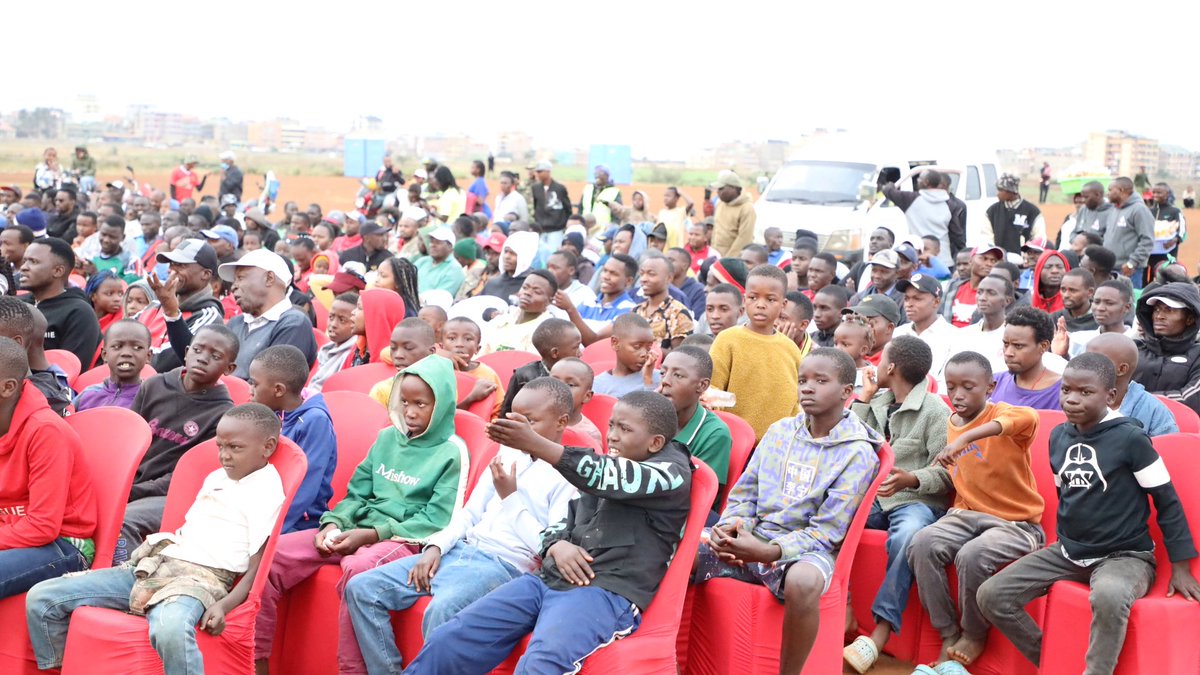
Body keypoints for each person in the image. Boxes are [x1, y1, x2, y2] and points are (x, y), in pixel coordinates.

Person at [403, 389, 690, 674]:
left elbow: (609, 478)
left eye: (625, 429)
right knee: (450, 639)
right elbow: (565, 520)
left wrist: (536, 444)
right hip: (549, 578)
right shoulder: (614, 461)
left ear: (655, 442)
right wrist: (555, 544)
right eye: (612, 425)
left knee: (539, 666)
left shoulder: (671, 473)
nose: (612, 435)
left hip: (605, 591)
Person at [978, 353, 1200, 674]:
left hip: (1124, 555)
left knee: (1109, 597)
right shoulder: (1058, 436)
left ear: (1110, 396)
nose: (1071, 399)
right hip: (1069, 551)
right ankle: (1053, 660)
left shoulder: (1131, 439)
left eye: (1085, 392)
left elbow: (1166, 500)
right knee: (991, 596)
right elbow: (1066, 494)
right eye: (1066, 390)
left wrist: (1180, 566)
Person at [27, 403, 286, 675]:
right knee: (43, 597)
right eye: (220, 446)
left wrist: (225, 605)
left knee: (170, 627)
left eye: (235, 448)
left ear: (267, 447)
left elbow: (258, 564)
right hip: (158, 564)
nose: (224, 456)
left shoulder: (266, 490)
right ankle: (65, 667)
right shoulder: (216, 477)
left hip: (201, 579)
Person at [344, 377, 579, 672]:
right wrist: (435, 547)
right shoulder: (508, 453)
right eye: (515, 419)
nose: (520, 429)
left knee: (441, 611)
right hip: (462, 551)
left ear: (561, 422)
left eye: (530, 421)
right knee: (362, 588)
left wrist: (510, 497)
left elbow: (546, 546)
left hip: (504, 565)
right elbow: (469, 514)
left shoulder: (569, 477)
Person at [254, 354, 467, 674]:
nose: (410, 411)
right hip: (358, 526)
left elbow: (435, 519)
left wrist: (372, 535)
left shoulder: (452, 451)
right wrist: (333, 523)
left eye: (421, 404)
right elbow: (356, 493)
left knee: (359, 569)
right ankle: (256, 658)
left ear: (441, 405)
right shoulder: (386, 438)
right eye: (405, 401)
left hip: (402, 537)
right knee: (274, 556)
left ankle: (354, 670)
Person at [697, 348, 881, 673]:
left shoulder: (858, 453)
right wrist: (731, 529)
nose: (807, 388)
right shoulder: (781, 430)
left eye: (820, 380)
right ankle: (682, 658)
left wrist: (769, 551)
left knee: (805, 581)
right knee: (678, 548)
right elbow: (746, 491)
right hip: (754, 537)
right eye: (803, 380)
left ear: (846, 392)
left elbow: (827, 532)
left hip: (805, 551)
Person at [907, 351, 1045, 669]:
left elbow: (1029, 419)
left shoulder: (1007, 415)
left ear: (990, 387)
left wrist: (965, 437)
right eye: (951, 386)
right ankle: (948, 633)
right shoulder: (950, 420)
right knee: (922, 543)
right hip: (968, 514)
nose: (958, 395)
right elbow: (962, 474)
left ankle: (974, 633)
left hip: (1017, 524)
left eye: (968, 387)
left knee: (972, 555)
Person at [843, 336, 951, 673]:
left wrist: (913, 479)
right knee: (833, 520)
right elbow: (851, 442)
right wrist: (863, 399)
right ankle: (843, 607)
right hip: (876, 498)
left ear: (891, 367)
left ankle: (880, 632)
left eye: (881, 359)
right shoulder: (878, 401)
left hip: (916, 500)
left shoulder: (935, 410)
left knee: (907, 538)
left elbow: (948, 472)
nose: (875, 364)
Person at [118, 325, 238, 564]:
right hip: (131, 484)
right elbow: (126, 442)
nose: (203, 358)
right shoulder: (154, 385)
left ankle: (127, 582)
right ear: (186, 351)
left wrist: (135, 491)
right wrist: (120, 484)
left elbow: (188, 476)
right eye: (198, 349)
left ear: (230, 368)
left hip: (171, 494)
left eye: (215, 357)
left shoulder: (223, 414)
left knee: (124, 521)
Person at [0, 334, 96, 598]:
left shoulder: (45, 431)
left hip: (64, 544)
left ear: (7, 388)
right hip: (13, 534)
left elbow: (43, 527)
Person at [247, 345, 337, 534]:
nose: (250, 390)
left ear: (278, 390)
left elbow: (305, 488)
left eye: (254, 384)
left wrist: (268, 532)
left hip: (299, 521)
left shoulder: (315, 421)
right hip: (264, 510)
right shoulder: (275, 412)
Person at [711, 265, 803, 441]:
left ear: (783, 305)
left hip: (777, 445)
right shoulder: (727, 340)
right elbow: (713, 392)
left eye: (770, 299)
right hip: (733, 442)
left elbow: (794, 402)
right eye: (753, 297)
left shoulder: (790, 349)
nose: (760, 305)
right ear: (744, 300)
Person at [215, 249, 318, 378]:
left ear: (269, 278)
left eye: (240, 278)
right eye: (234, 281)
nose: (234, 287)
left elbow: (271, 384)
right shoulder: (236, 323)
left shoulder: (294, 324)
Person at [656, 345, 732, 510]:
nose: (665, 381)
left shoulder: (715, 433)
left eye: (678, 375)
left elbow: (702, 497)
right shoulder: (651, 417)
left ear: (702, 386)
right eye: (663, 372)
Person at [144, 239, 226, 372]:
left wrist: (172, 314)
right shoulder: (154, 306)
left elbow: (171, 361)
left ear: (205, 274)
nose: (172, 270)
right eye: (172, 264)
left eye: (181, 265)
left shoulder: (210, 315)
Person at [1085, 333, 1178, 437]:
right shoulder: (1076, 399)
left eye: (1095, 361)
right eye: (1084, 359)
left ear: (1121, 369)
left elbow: (1167, 449)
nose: (1085, 366)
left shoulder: (1154, 411)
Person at [1132, 282, 1200, 414]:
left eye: (1169, 310)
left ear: (1190, 319)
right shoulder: (1133, 348)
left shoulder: (1197, 354)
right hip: (1127, 428)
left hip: (1179, 430)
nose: (1159, 316)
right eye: (1156, 309)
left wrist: (1136, 400)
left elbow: (1191, 399)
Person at [991, 306, 1062, 410]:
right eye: (1006, 344)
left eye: (1018, 346)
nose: (1008, 353)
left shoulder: (1062, 391)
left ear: (1043, 346)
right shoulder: (993, 383)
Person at [882, 168, 958, 264]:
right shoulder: (952, 204)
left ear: (926, 182)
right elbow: (956, 236)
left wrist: (891, 184)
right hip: (944, 259)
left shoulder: (910, 199)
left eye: (919, 178)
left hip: (918, 258)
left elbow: (888, 190)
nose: (917, 180)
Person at [73, 319, 152, 412]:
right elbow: (65, 419)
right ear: (104, 354)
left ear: (148, 356)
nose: (126, 353)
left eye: (137, 347)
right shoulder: (87, 395)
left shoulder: (150, 400)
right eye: (117, 347)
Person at [556, 254, 639, 339]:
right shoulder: (587, 303)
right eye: (605, 271)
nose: (606, 276)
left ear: (628, 281)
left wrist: (570, 309)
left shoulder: (629, 310)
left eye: (614, 274)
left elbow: (595, 342)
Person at [893, 274, 955, 388]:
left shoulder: (954, 337)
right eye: (906, 298)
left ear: (936, 302)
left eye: (917, 299)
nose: (909, 304)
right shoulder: (897, 334)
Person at [481, 270, 559, 355]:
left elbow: (530, 363)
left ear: (550, 300)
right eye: (525, 287)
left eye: (537, 292)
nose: (527, 293)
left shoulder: (545, 332)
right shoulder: (502, 319)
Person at [367, 319, 438, 407]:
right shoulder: (382, 391)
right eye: (393, 348)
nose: (398, 355)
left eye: (409, 348)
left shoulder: (441, 386)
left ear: (431, 352)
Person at [1102, 177, 1155, 289]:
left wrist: (1132, 263)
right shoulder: (1114, 209)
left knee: (1128, 302)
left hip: (1129, 270)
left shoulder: (1139, 210)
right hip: (1111, 267)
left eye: (1110, 190)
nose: (1108, 193)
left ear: (1121, 190)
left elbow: (1147, 241)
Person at [633, 255, 694, 350]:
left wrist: (646, 349)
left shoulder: (678, 313)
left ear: (669, 278)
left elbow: (679, 355)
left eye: (651, 274)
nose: (643, 279)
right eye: (642, 274)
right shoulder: (636, 311)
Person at [593, 313, 661, 397]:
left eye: (649, 347)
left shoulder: (659, 377)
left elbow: (654, 409)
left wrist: (648, 379)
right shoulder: (598, 385)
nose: (644, 354)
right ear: (615, 343)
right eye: (637, 347)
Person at [941, 244, 1002, 327]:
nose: (989, 264)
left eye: (993, 261)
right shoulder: (952, 287)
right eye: (984, 258)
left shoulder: (997, 293)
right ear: (970, 261)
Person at [986, 174, 1045, 257]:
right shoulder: (992, 211)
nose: (997, 194)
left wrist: (1028, 255)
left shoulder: (1032, 211)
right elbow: (986, 236)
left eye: (1000, 190)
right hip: (998, 261)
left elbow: (1039, 237)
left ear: (1010, 191)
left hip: (1024, 261)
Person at [549, 357, 602, 447]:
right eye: (554, 382)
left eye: (570, 385)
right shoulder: (535, 419)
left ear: (587, 396)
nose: (559, 388)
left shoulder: (589, 435)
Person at [480, 230, 538, 303]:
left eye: (513, 253)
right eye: (506, 251)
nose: (507, 257)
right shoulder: (493, 283)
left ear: (525, 256)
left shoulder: (533, 284)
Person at [844, 294, 900, 367]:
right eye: (857, 320)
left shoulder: (895, 362)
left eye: (869, 323)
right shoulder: (848, 354)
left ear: (889, 328)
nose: (860, 327)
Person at [710, 170, 756, 257]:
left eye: (721, 189)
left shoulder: (747, 208)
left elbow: (744, 239)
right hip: (716, 257)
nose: (718, 192)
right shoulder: (720, 203)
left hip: (732, 260)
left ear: (733, 188)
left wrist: (727, 260)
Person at [1148, 181, 1187, 281]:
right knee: (1147, 278)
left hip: (1167, 251)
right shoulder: (1149, 210)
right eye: (1154, 192)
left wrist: (1175, 240)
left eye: (1159, 193)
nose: (1156, 195)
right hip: (1150, 252)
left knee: (1164, 277)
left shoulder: (1175, 211)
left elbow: (1182, 230)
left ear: (1167, 194)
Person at [530, 161, 571, 250]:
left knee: (553, 253)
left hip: (556, 230)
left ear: (548, 171)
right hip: (540, 229)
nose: (537, 174)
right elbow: (535, 206)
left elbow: (567, 208)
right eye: (537, 171)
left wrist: (564, 224)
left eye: (540, 171)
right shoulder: (535, 188)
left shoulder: (559, 188)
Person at [1016, 248, 1069, 314]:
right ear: (1038, 271)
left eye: (1060, 267)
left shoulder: (1073, 305)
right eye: (1048, 267)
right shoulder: (1027, 303)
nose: (1055, 271)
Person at [1047, 268, 1096, 333]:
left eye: (1073, 290)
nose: (1066, 295)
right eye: (1063, 289)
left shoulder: (1101, 320)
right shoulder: (1054, 319)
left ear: (1090, 292)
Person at [811, 284, 850, 348]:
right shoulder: (809, 338)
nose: (816, 314)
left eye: (824, 308)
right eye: (815, 308)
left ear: (841, 312)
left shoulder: (851, 340)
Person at [780, 291, 815, 359]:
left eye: (782, 318)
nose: (774, 322)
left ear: (803, 325)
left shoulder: (815, 356)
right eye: (774, 315)